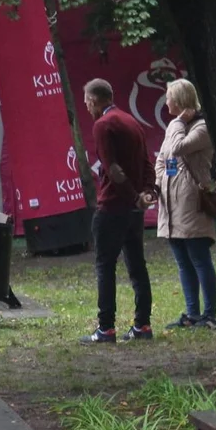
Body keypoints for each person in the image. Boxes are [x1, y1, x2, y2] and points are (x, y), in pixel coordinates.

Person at [82, 78, 155, 343]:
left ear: (94, 100)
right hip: (133, 211)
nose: (87, 107)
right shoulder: (131, 120)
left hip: (113, 206)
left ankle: (106, 328)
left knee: (105, 266)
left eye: (87, 102)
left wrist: (134, 197)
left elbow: (111, 168)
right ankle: (143, 325)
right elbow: (146, 161)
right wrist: (148, 192)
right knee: (137, 266)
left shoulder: (102, 125)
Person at [156, 78, 216, 330]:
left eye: (170, 97)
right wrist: (161, 180)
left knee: (199, 258)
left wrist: (179, 122)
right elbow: (163, 158)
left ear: (181, 101)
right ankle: (192, 313)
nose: (166, 101)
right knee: (183, 261)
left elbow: (178, 148)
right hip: (171, 202)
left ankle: (210, 315)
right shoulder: (176, 125)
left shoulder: (201, 128)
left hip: (192, 202)